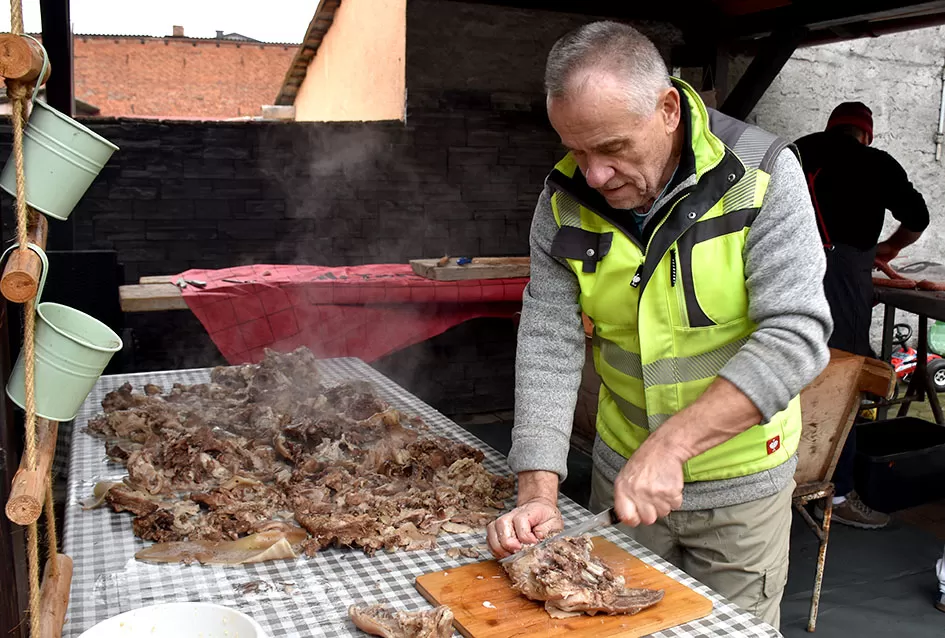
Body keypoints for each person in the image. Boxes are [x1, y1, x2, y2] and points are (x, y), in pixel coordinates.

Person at [485, 21, 833, 629]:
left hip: (740, 485)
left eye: (613, 148)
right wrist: (538, 487)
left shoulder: (764, 177)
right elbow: (549, 338)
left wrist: (672, 446)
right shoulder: (563, 200)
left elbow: (796, 337)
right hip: (622, 478)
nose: (593, 174)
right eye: (577, 149)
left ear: (668, 108)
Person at [796, 102, 929, 529]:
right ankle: (836, 493)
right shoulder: (876, 163)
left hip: (786, 269)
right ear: (866, 133)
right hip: (843, 280)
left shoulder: (797, 151)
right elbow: (918, 217)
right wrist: (886, 250)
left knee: (788, 366)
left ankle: (780, 476)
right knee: (846, 376)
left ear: (831, 126)